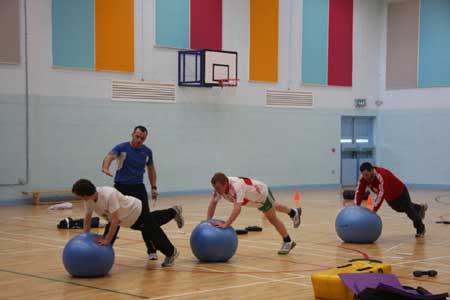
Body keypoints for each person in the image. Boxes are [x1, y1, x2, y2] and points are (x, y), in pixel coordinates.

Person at [72, 179, 183, 267]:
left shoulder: (108, 194)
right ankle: (173, 211)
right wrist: (84, 238)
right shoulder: (88, 201)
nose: (79, 198)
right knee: (153, 220)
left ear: (85, 194)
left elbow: (115, 221)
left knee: (152, 232)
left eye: (79, 196)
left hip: (136, 210)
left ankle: (171, 253)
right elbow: (87, 219)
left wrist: (107, 240)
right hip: (125, 219)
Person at [207, 172, 302, 255]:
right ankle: (293, 212)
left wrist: (225, 225)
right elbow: (213, 204)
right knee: (274, 206)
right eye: (215, 188)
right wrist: (208, 222)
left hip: (262, 195)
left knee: (272, 218)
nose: (217, 191)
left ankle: (288, 241)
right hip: (252, 199)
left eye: (218, 188)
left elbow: (237, 209)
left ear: (225, 183)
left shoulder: (237, 186)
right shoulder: (219, 189)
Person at [101, 125, 159, 259]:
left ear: (145, 138)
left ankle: (151, 249)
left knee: (146, 219)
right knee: (113, 218)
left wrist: (154, 187)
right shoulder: (122, 148)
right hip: (120, 188)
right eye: (137, 136)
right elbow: (110, 156)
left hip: (138, 188)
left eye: (142, 138)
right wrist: (105, 167)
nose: (139, 140)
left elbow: (151, 169)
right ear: (132, 134)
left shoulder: (147, 152)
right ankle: (106, 246)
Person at [355, 162, 427, 238]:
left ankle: (421, 229)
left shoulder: (381, 175)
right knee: (399, 209)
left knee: (410, 212)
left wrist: (374, 210)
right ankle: (419, 208)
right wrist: (356, 206)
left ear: (372, 170)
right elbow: (359, 191)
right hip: (389, 197)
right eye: (363, 175)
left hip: (400, 192)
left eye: (366, 175)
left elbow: (381, 193)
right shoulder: (363, 178)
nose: (365, 177)